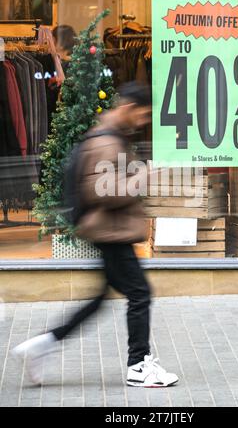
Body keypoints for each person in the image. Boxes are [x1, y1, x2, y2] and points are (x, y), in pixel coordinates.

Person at [12, 81, 179, 389]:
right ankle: (139, 365)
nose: (144, 122)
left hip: (109, 229)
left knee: (102, 298)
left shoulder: (111, 136)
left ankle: (41, 345)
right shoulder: (106, 143)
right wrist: (142, 177)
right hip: (110, 230)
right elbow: (102, 191)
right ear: (129, 108)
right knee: (140, 293)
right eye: (143, 115)